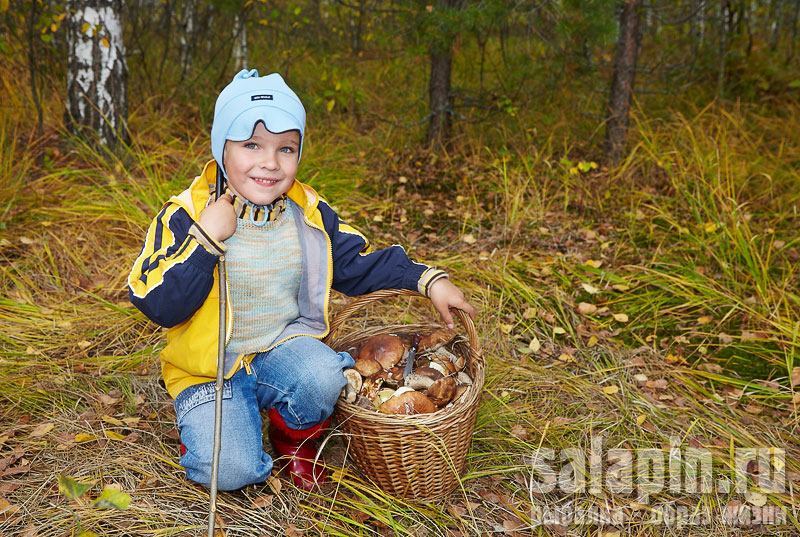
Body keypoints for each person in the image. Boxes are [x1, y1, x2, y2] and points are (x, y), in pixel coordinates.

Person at [127, 69, 475, 492]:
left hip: (280, 348)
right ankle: (215, 430)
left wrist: (426, 279)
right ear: (221, 148)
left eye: (286, 149)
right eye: (251, 145)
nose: (270, 162)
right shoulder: (186, 215)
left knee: (325, 373)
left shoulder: (306, 211)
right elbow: (158, 303)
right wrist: (205, 239)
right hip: (208, 369)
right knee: (231, 472)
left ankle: (292, 439)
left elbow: (356, 264)